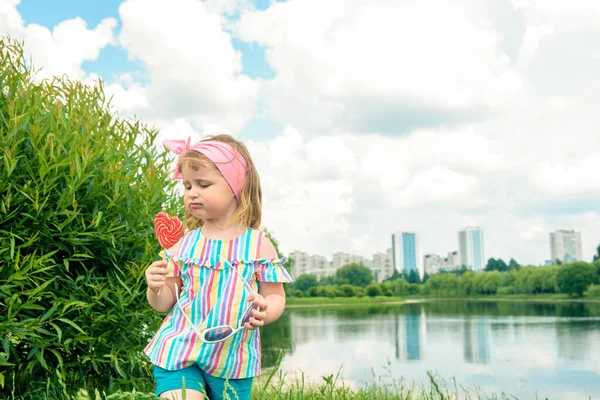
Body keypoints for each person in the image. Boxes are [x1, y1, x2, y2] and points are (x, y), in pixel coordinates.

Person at [144, 134, 292, 400]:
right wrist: (155, 287)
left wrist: (265, 311)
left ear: (237, 187)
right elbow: (164, 302)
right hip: (180, 349)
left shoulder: (258, 245)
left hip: (233, 360)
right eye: (187, 186)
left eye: (203, 184)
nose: (192, 193)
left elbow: (275, 295)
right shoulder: (184, 245)